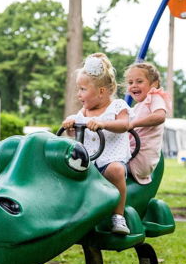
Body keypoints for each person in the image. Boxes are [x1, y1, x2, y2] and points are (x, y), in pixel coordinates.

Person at [62, 53, 131, 235]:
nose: (79, 94)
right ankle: (70, 212)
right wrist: (70, 124)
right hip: (89, 163)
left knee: (115, 171)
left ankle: (118, 216)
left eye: (83, 89)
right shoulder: (84, 111)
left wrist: (103, 123)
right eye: (78, 89)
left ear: (101, 91)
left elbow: (125, 125)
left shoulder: (117, 106)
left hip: (110, 160)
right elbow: (74, 134)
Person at [126, 62, 171, 185]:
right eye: (130, 83)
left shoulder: (155, 98)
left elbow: (160, 116)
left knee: (106, 167)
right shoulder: (136, 107)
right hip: (131, 154)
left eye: (139, 81)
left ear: (154, 84)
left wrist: (134, 124)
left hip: (139, 159)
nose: (134, 86)